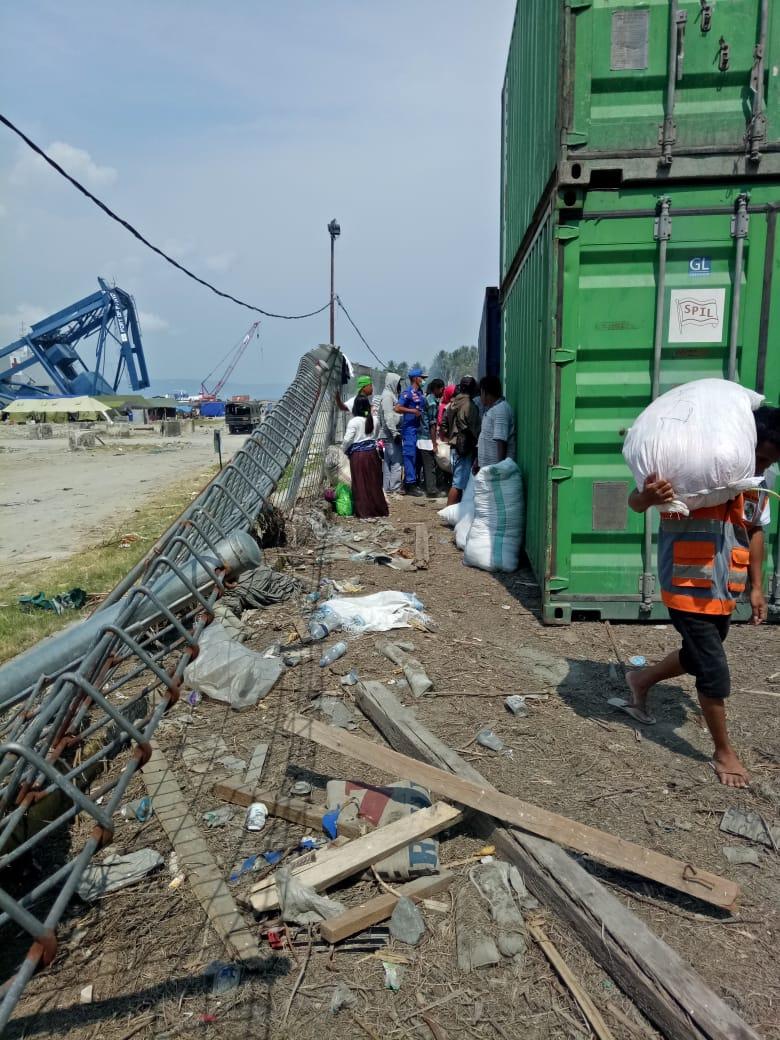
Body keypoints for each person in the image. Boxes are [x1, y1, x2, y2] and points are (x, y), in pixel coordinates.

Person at [626, 404, 780, 788]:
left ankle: (640, 681)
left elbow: (756, 531)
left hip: (725, 588)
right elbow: (635, 502)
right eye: (760, 456)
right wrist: (648, 496)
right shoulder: (694, 466)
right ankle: (723, 752)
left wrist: (758, 587)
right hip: (686, 586)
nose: (762, 465)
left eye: (769, 461)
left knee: (697, 656)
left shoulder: (761, 478)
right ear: (745, 443)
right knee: (713, 670)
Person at [341, 396, 389, 519]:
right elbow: (376, 435)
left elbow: (348, 439)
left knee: (360, 482)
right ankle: (378, 509)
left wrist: (343, 450)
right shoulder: (375, 420)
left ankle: (364, 511)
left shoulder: (354, 421)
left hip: (358, 456)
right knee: (374, 481)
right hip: (372, 453)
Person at [442, 376, 480, 506]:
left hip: (454, 446)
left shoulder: (453, 403)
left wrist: (450, 436)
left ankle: (453, 513)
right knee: (458, 484)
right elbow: (475, 428)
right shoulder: (469, 405)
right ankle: (449, 513)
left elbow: (443, 423)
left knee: (457, 481)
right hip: (464, 447)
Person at [394, 366, 427, 496]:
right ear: (415, 378)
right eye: (422, 378)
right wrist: (412, 411)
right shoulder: (406, 393)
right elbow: (397, 408)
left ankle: (414, 481)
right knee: (409, 456)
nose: (423, 380)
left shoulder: (420, 393)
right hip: (409, 429)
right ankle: (410, 484)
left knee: (417, 457)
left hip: (419, 430)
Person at [474, 375, 515, 474]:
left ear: (484, 392)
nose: (480, 397)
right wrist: (478, 460)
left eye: (481, 393)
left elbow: (501, 441)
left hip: (495, 472)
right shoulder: (494, 409)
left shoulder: (501, 410)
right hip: (488, 469)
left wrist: (499, 471)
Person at [377, 371, 404, 493]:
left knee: (388, 462)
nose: (400, 386)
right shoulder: (388, 397)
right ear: (393, 383)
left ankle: (387, 487)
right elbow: (388, 416)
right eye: (398, 383)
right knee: (396, 462)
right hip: (391, 434)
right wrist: (395, 433)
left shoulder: (387, 395)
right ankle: (395, 487)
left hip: (387, 434)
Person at [418, 378, 445, 497]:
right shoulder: (432, 402)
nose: (442, 392)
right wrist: (434, 443)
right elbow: (432, 425)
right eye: (442, 389)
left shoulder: (427, 398)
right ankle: (432, 490)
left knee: (428, 465)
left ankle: (429, 487)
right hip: (427, 439)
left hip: (423, 437)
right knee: (430, 466)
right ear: (437, 389)